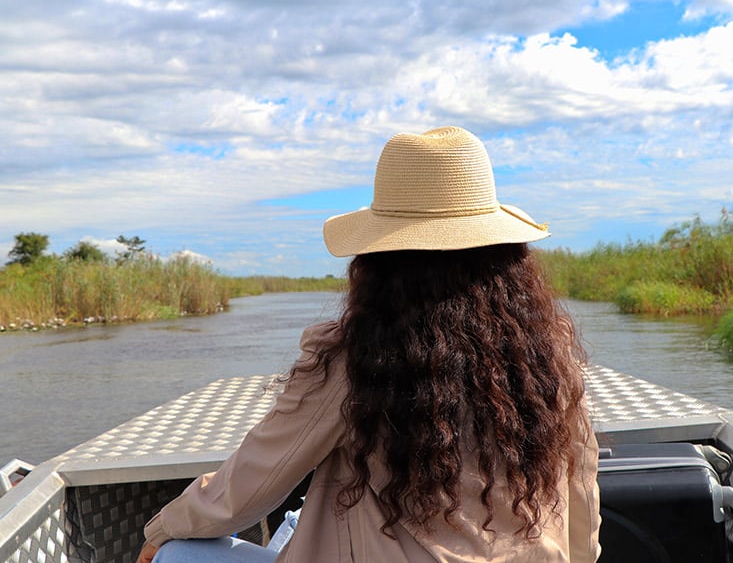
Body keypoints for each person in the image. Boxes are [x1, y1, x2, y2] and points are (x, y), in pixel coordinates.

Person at [136, 126, 601, 563]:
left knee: (180, 553)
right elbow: (581, 489)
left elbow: (249, 488)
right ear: (508, 259)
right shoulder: (547, 355)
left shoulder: (356, 360)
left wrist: (160, 531)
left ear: (379, 261)